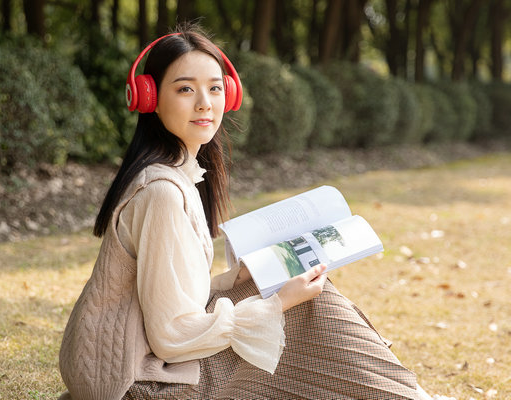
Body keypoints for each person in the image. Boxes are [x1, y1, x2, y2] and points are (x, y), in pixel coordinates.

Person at [58, 26, 431, 400]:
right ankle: (407, 395)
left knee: (283, 287)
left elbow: (168, 296)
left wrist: (236, 277)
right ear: (149, 96)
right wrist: (279, 303)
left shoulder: (175, 177)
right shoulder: (162, 194)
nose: (205, 102)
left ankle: (404, 393)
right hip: (138, 383)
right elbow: (172, 336)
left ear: (229, 94)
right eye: (185, 88)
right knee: (302, 306)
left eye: (215, 88)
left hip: (133, 365)